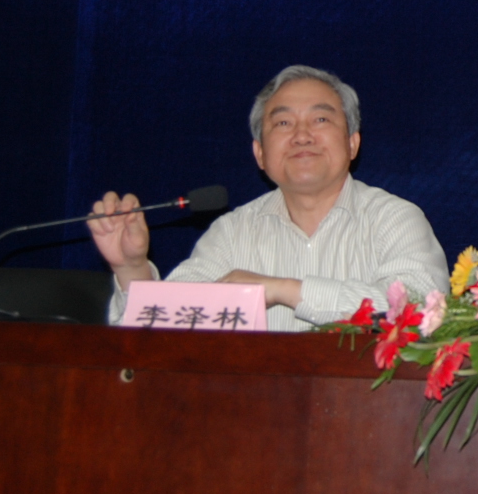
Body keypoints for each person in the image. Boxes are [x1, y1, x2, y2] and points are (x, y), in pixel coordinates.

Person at [88, 65, 449, 331]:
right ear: (260, 154)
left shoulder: (395, 219)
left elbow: (420, 311)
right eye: (283, 123)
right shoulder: (232, 233)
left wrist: (283, 290)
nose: (302, 136)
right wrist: (131, 269)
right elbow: (164, 331)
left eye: (321, 120)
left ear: (353, 143)